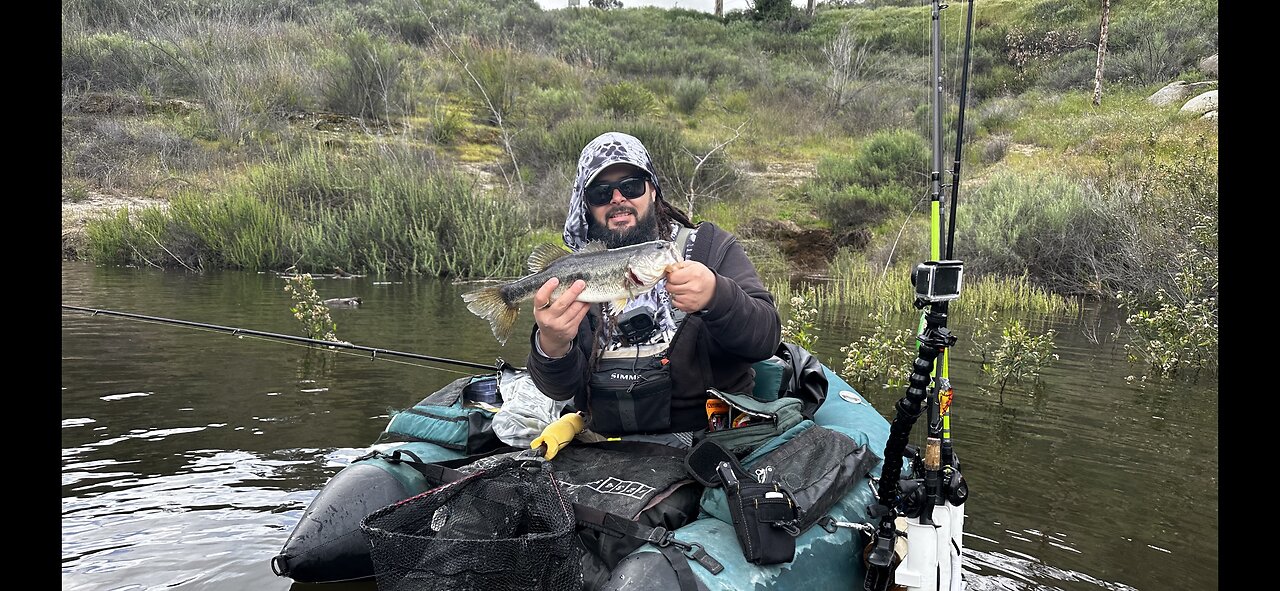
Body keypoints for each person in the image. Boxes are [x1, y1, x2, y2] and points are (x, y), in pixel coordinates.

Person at [526, 131, 781, 450]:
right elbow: (560, 389)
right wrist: (551, 345)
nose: (618, 198)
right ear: (586, 205)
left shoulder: (707, 248)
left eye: (631, 185)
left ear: (653, 190)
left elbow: (766, 338)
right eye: (601, 193)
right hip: (606, 447)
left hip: (708, 443)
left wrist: (717, 295)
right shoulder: (577, 270)